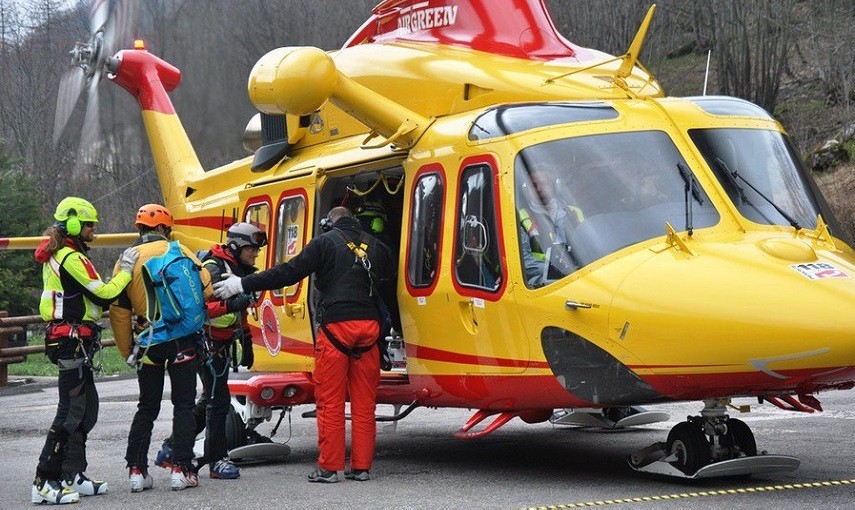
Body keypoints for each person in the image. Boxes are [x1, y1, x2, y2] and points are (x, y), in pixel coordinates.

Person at [213, 206, 393, 483]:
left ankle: (329, 468)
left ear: (329, 224)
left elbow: (288, 273)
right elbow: (390, 288)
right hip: (370, 331)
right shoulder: (378, 247)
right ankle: (361, 468)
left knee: (331, 402)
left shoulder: (324, 243)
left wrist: (243, 284)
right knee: (364, 404)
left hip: (336, 330)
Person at [31, 196, 139, 505]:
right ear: (76, 225)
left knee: (85, 410)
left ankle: (71, 474)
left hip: (77, 340)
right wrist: (126, 270)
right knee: (69, 412)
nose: (94, 229)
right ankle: (44, 480)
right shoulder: (70, 257)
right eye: (90, 224)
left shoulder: (66, 254)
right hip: (70, 340)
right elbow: (105, 293)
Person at [109, 204, 212, 492]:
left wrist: (126, 349)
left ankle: (137, 470)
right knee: (183, 405)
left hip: (149, 342)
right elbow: (206, 287)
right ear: (164, 228)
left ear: (139, 228)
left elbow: (118, 310)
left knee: (147, 406)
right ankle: (181, 468)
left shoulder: (125, 260)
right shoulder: (181, 251)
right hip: (183, 341)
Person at [154, 222, 266, 480]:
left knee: (210, 400)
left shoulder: (239, 269)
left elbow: (242, 309)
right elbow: (202, 309)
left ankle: (171, 448)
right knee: (218, 402)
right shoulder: (214, 269)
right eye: (252, 249)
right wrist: (230, 305)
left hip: (222, 342)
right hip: (207, 342)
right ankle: (216, 460)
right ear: (236, 246)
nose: (255, 254)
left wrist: (247, 340)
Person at [518, 164, 583, 286]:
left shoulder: (574, 212)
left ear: (555, 186)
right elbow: (523, 261)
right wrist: (558, 271)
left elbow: (587, 248)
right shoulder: (521, 217)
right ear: (527, 189)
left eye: (544, 184)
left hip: (579, 276)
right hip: (542, 283)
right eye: (534, 185)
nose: (538, 189)